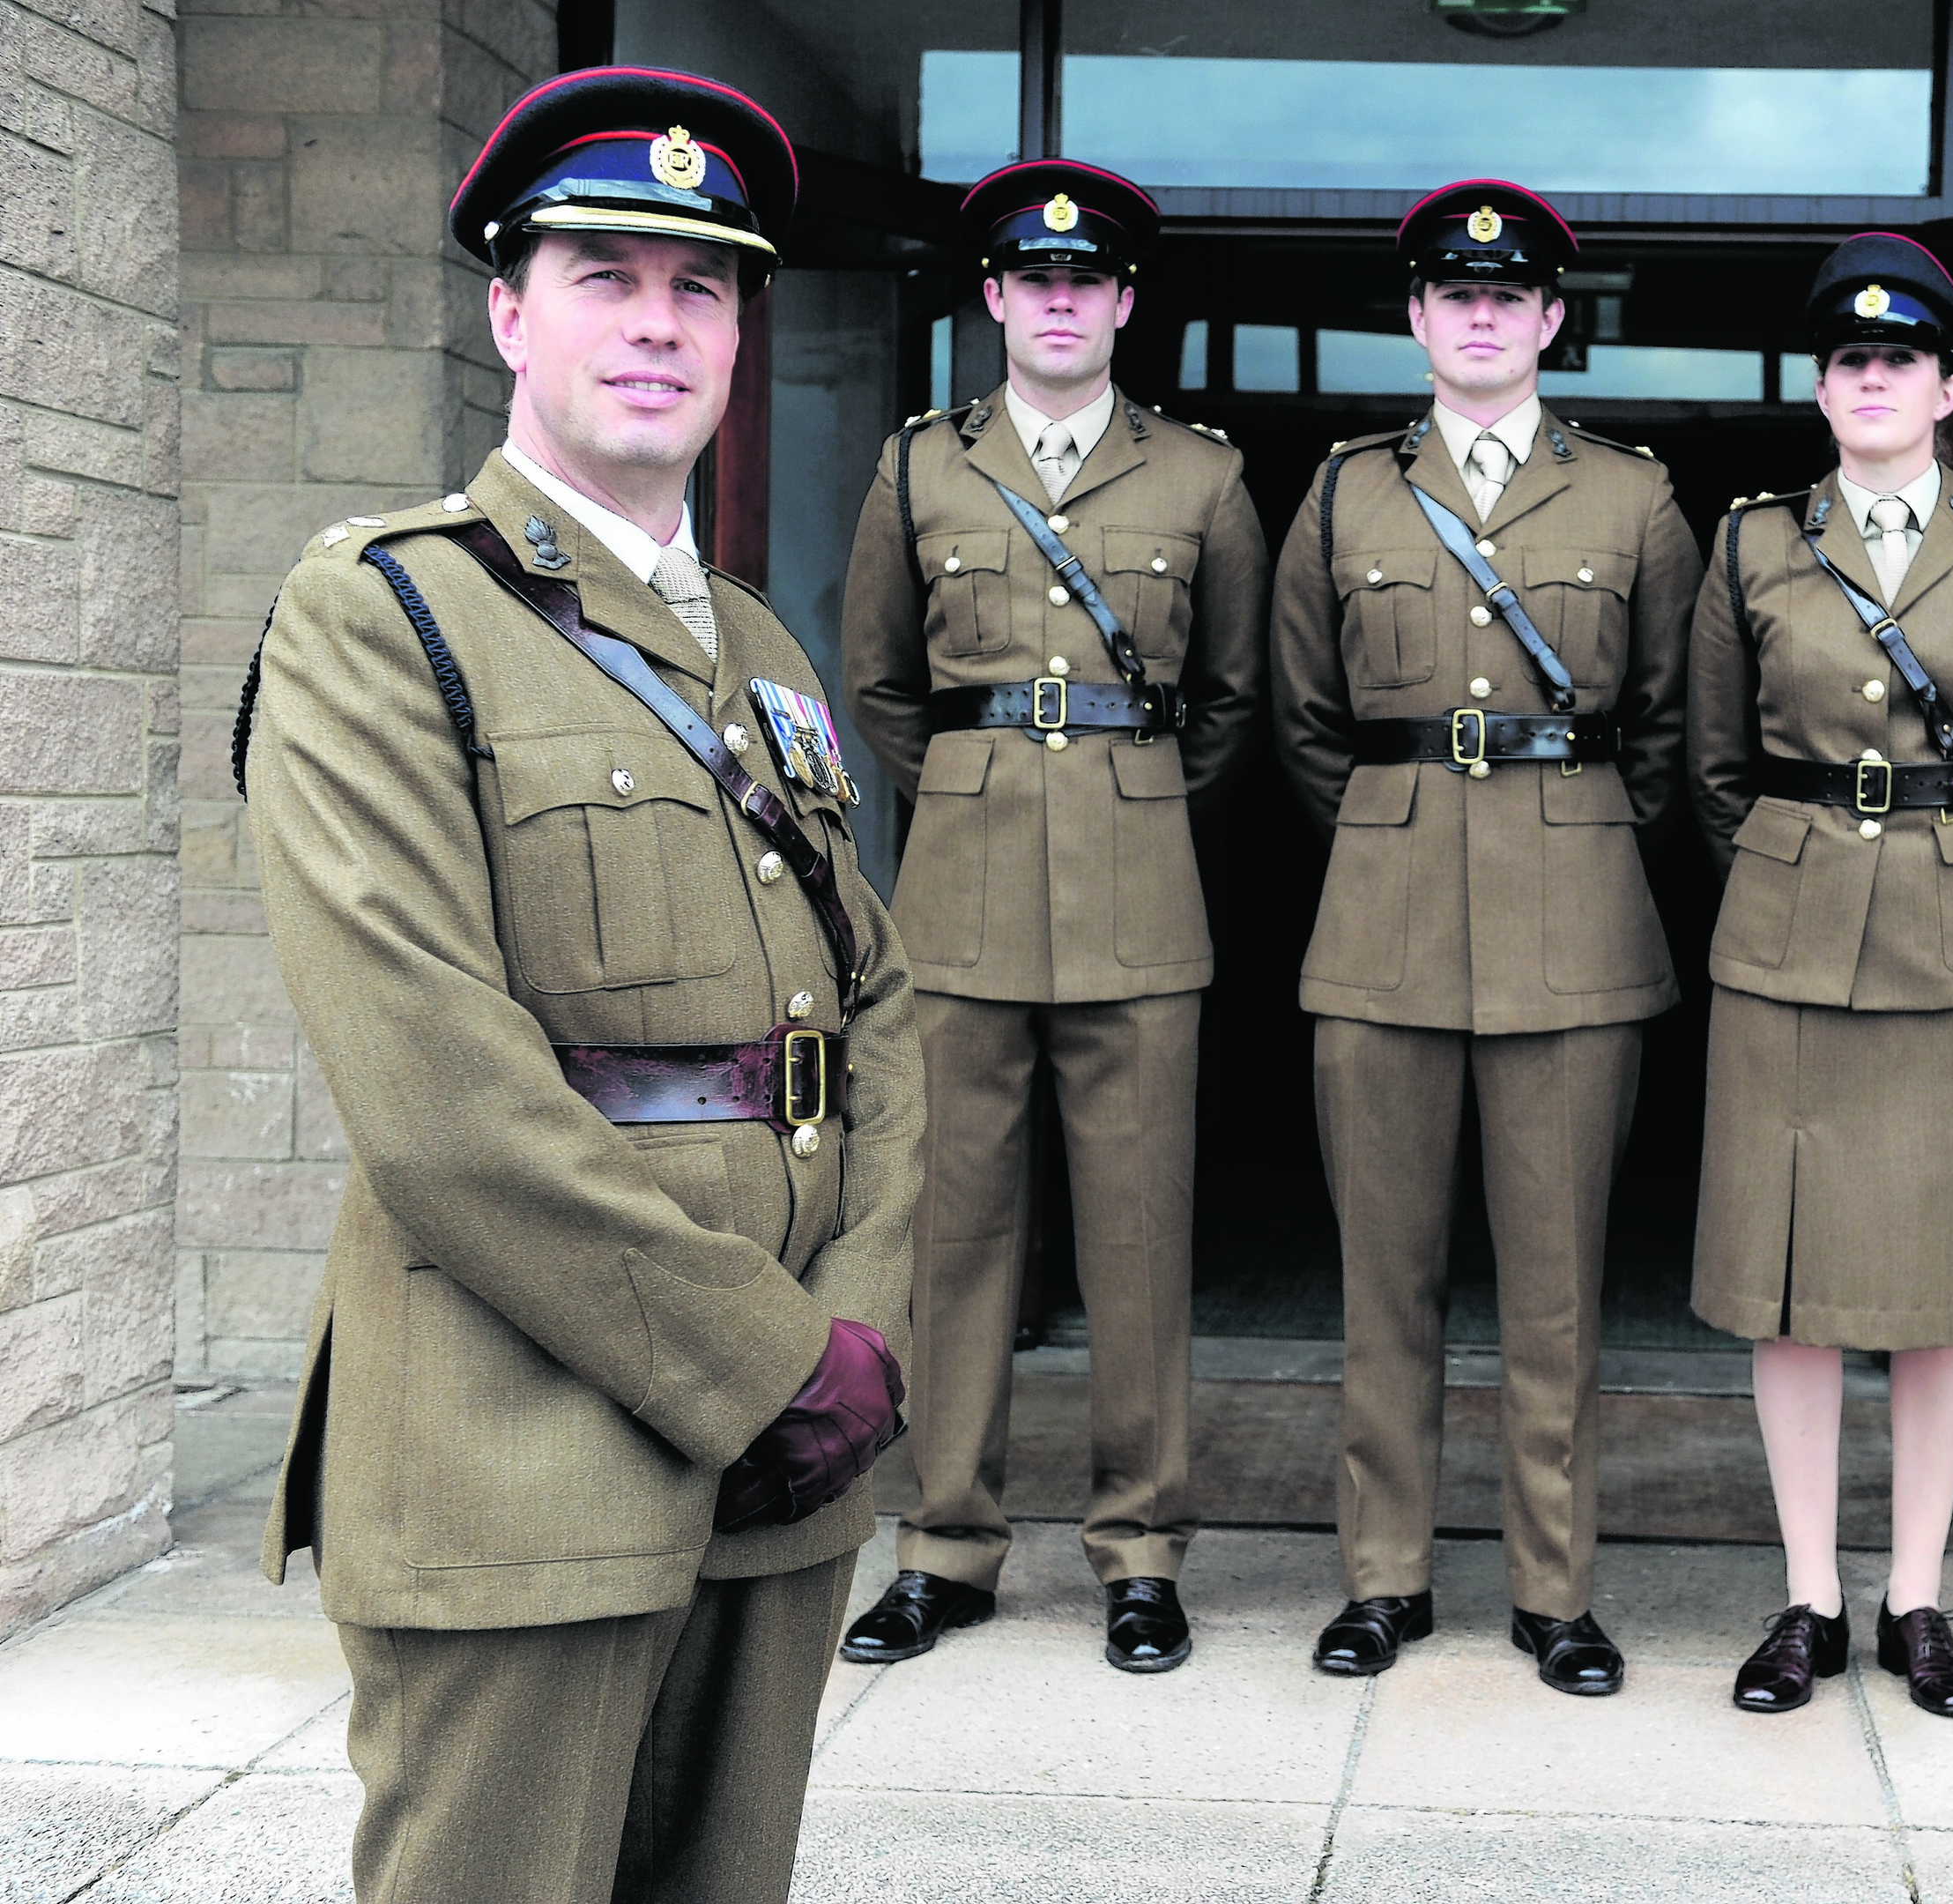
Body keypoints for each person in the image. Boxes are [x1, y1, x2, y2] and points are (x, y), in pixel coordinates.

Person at [236, 68, 920, 1904]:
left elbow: (878, 1019)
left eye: (700, 287)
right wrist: (768, 1363)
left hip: (784, 1470)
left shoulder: (761, 650)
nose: (656, 321)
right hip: (519, 1451)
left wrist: (864, 1336)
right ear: (508, 312)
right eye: (604, 273)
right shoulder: (382, 611)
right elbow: (435, 1088)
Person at [1267, 179, 1701, 1694]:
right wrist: (1404, 831)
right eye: (1453, 294)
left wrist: (1559, 828)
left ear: (1548, 322)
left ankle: (1553, 1589)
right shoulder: (1341, 492)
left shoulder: (1630, 497)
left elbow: (1665, 731)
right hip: (1380, 924)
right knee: (1381, 1280)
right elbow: (1308, 723)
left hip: (1572, 920)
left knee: (1555, 1285)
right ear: (1415, 316)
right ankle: (1381, 1578)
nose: (1478, 315)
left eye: (1507, 297)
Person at [838, 160, 1266, 1674]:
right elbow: (885, 684)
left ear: (1124, 302)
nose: (1062, 299)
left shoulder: (1201, 477)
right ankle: (944, 1542)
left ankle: (1140, 1553)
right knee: (953, 1233)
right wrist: (974, 789)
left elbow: (1227, 701)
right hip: (957, 899)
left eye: (1089, 280)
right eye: (1036, 278)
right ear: (997, 299)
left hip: (1138, 895)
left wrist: (1122, 797)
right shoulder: (920, 468)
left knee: (1139, 1236)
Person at [1687, 234, 1953, 1719]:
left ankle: (1918, 1595)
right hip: (1787, 933)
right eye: (1848, 360)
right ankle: (1807, 1597)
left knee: (1939, 1291)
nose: (1872, 379)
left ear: (1948, 384)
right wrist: (1806, 869)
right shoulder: (1752, 542)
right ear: (1821, 385)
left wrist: (1952, 870)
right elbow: (1714, 767)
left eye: (1899, 359)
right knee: (1789, 1287)